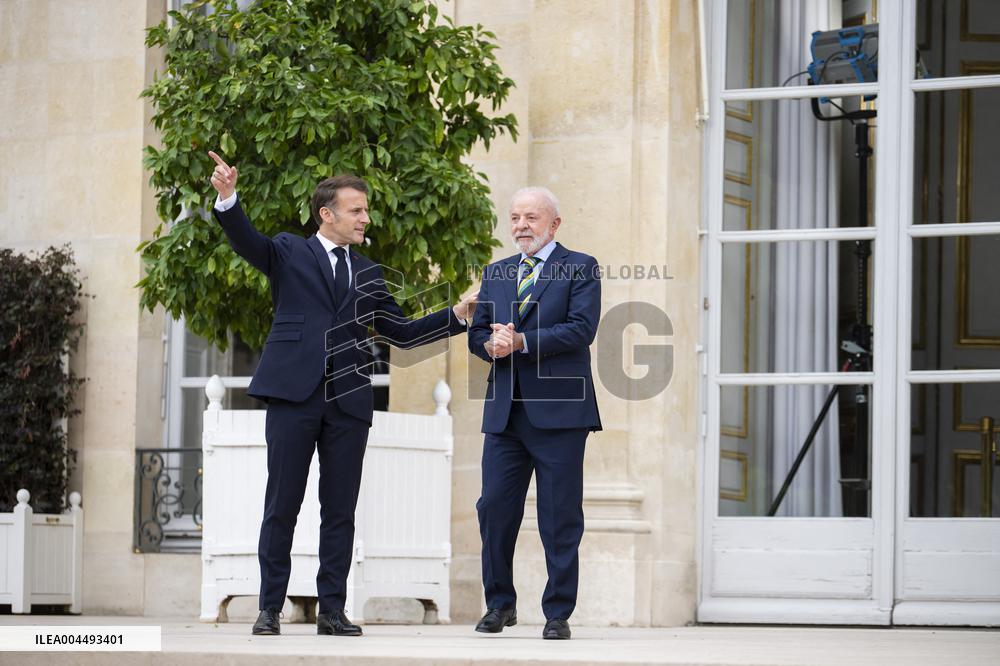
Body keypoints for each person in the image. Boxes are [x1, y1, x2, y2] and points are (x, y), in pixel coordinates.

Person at [207, 151, 477, 637]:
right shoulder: (289, 251)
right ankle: (270, 609)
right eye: (357, 210)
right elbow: (247, 241)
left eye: (366, 210)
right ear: (326, 214)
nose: (365, 218)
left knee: (340, 510)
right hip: (293, 396)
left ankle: (332, 610)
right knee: (281, 504)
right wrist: (228, 198)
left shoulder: (370, 273)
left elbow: (403, 333)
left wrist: (456, 315)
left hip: (349, 402)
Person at [467, 186, 601, 640]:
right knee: (493, 510)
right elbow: (478, 331)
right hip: (505, 413)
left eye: (531, 218)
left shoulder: (579, 267)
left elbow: (581, 329)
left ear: (554, 224)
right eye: (515, 218)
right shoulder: (497, 271)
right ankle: (500, 604)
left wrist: (521, 341)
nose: (521, 226)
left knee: (559, 515)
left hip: (561, 414)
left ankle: (558, 613)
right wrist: (488, 343)